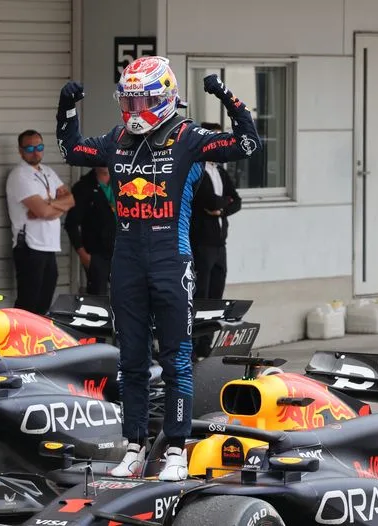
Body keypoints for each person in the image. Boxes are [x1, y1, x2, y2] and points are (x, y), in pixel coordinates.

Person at [56, 55, 260, 481]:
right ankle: (133, 446)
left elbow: (248, 143)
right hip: (127, 260)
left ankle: (177, 450)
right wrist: (67, 107)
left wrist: (226, 94)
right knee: (129, 360)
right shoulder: (116, 139)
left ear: (165, 98)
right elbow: (72, 148)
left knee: (176, 360)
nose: (131, 112)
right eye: (127, 102)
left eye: (140, 102)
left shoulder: (188, 137)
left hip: (172, 258)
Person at [6, 129, 75, 314]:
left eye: (39, 147)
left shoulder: (48, 172)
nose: (35, 152)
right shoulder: (20, 175)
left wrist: (49, 204)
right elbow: (43, 211)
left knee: (44, 303)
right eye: (29, 148)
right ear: (20, 151)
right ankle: (18, 341)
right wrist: (51, 208)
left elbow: (71, 200)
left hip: (49, 245)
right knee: (28, 302)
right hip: (30, 246)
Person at [190, 122, 242, 302]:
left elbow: (237, 201)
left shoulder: (220, 170)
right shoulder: (197, 170)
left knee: (217, 291)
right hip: (201, 242)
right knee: (201, 292)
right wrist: (223, 202)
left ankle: (211, 329)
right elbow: (210, 201)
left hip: (220, 242)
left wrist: (221, 210)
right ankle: (199, 330)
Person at [64, 166, 117, 295]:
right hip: (97, 254)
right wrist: (83, 255)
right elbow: (71, 224)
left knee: (126, 296)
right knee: (98, 299)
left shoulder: (122, 182)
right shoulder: (83, 187)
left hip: (123, 252)